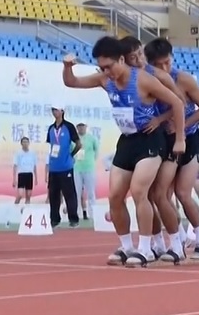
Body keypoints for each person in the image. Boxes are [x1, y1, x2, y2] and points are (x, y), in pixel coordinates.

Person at [62, 36, 185, 267]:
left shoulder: (143, 80)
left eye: (109, 66)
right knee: (115, 196)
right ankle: (126, 246)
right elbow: (72, 83)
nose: (107, 72)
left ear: (121, 59)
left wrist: (180, 139)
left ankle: (146, 249)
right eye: (102, 68)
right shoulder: (104, 80)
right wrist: (67, 67)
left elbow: (178, 103)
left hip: (150, 139)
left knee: (140, 192)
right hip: (127, 141)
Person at [143, 36, 199, 263]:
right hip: (166, 142)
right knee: (161, 194)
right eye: (159, 64)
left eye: (168, 62)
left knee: (183, 193)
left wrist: (184, 124)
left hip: (190, 139)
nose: (165, 67)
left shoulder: (183, 79)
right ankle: (178, 238)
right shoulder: (149, 80)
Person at [44, 106, 82, 228]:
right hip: (53, 167)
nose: (54, 112)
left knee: (69, 194)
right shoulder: (50, 128)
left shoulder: (69, 127)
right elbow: (52, 145)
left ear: (62, 111)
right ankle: (54, 220)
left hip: (66, 167)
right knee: (53, 194)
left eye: (56, 110)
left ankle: (73, 219)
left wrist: (70, 155)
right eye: (52, 110)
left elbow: (79, 144)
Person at [73, 123, 99, 220]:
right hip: (77, 168)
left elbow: (97, 150)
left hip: (89, 168)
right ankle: (76, 215)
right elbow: (71, 151)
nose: (81, 128)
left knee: (91, 193)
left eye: (83, 126)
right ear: (77, 128)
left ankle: (93, 215)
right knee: (77, 193)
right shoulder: (74, 139)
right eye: (79, 126)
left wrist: (91, 161)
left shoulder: (92, 138)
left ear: (86, 127)